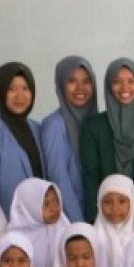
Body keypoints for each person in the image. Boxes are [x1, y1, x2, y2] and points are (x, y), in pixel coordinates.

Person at [81, 58, 134, 232]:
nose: (125, 88)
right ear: (108, 86)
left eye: (131, 81)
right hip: (105, 219)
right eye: (117, 82)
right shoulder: (94, 127)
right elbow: (91, 175)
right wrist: (94, 217)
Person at [0, 62, 46, 215]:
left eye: (25, 88)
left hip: (39, 218)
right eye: (11, 89)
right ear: (1, 92)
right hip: (7, 221)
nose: (19, 95)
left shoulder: (37, 129)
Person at [41, 56, 97, 223]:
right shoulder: (54, 125)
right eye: (71, 81)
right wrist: (79, 224)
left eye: (86, 81)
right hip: (72, 219)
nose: (80, 88)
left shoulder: (96, 121)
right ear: (60, 85)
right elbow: (59, 178)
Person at [92, 173, 134, 267]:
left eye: (122, 201)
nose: (115, 208)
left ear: (132, 204)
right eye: (107, 202)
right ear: (99, 203)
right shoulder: (92, 238)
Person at [6, 178, 70, 267]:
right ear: (30, 205)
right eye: (46, 204)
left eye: (56, 202)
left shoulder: (64, 228)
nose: (54, 209)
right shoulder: (13, 239)